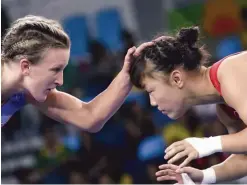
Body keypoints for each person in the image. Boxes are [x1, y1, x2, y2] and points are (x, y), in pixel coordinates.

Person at [129, 26, 247, 183]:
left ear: (177, 79)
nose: (152, 102)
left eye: (151, 91)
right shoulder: (225, 110)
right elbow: (244, 158)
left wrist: (207, 143)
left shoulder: (230, 72)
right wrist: (202, 177)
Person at [1, 15, 152, 132]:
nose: (60, 81)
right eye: (54, 70)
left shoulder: (27, 91)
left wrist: (126, 75)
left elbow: (89, 117)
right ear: (26, 67)